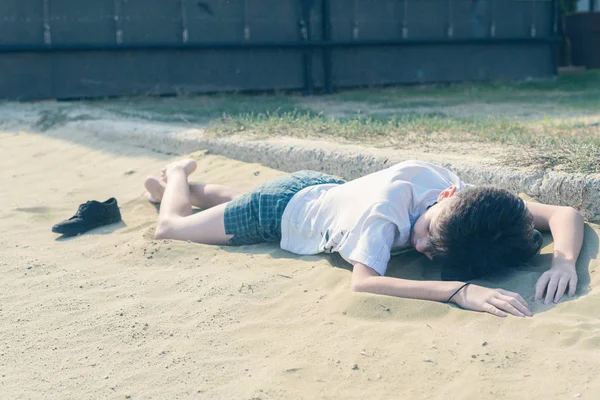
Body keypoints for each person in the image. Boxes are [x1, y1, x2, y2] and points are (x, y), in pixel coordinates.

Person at [144, 159, 584, 318]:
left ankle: (175, 192)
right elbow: (365, 282)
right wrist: (459, 291)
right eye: (429, 236)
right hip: (278, 213)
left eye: (434, 253)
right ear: (445, 197)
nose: (421, 248)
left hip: (326, 191)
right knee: (174, 228)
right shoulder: (384, 216)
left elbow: (564, 213)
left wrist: (563, 261)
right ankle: (178, 177)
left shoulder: (472, 204)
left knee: (233, 203)